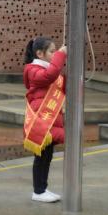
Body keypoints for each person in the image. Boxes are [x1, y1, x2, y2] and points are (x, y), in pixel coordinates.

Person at [23, 37, 67, 203]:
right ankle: (38, 191)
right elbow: (49, 76)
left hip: (49, 120)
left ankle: (42, 188)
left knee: (47, 157)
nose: (55, 54)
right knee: (41, 157)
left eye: (56, 51)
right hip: (41, 122)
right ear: (39, 54)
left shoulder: (50, 69)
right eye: (52, 51)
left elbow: (58, 82)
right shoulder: (32, 70)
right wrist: (61, 55)